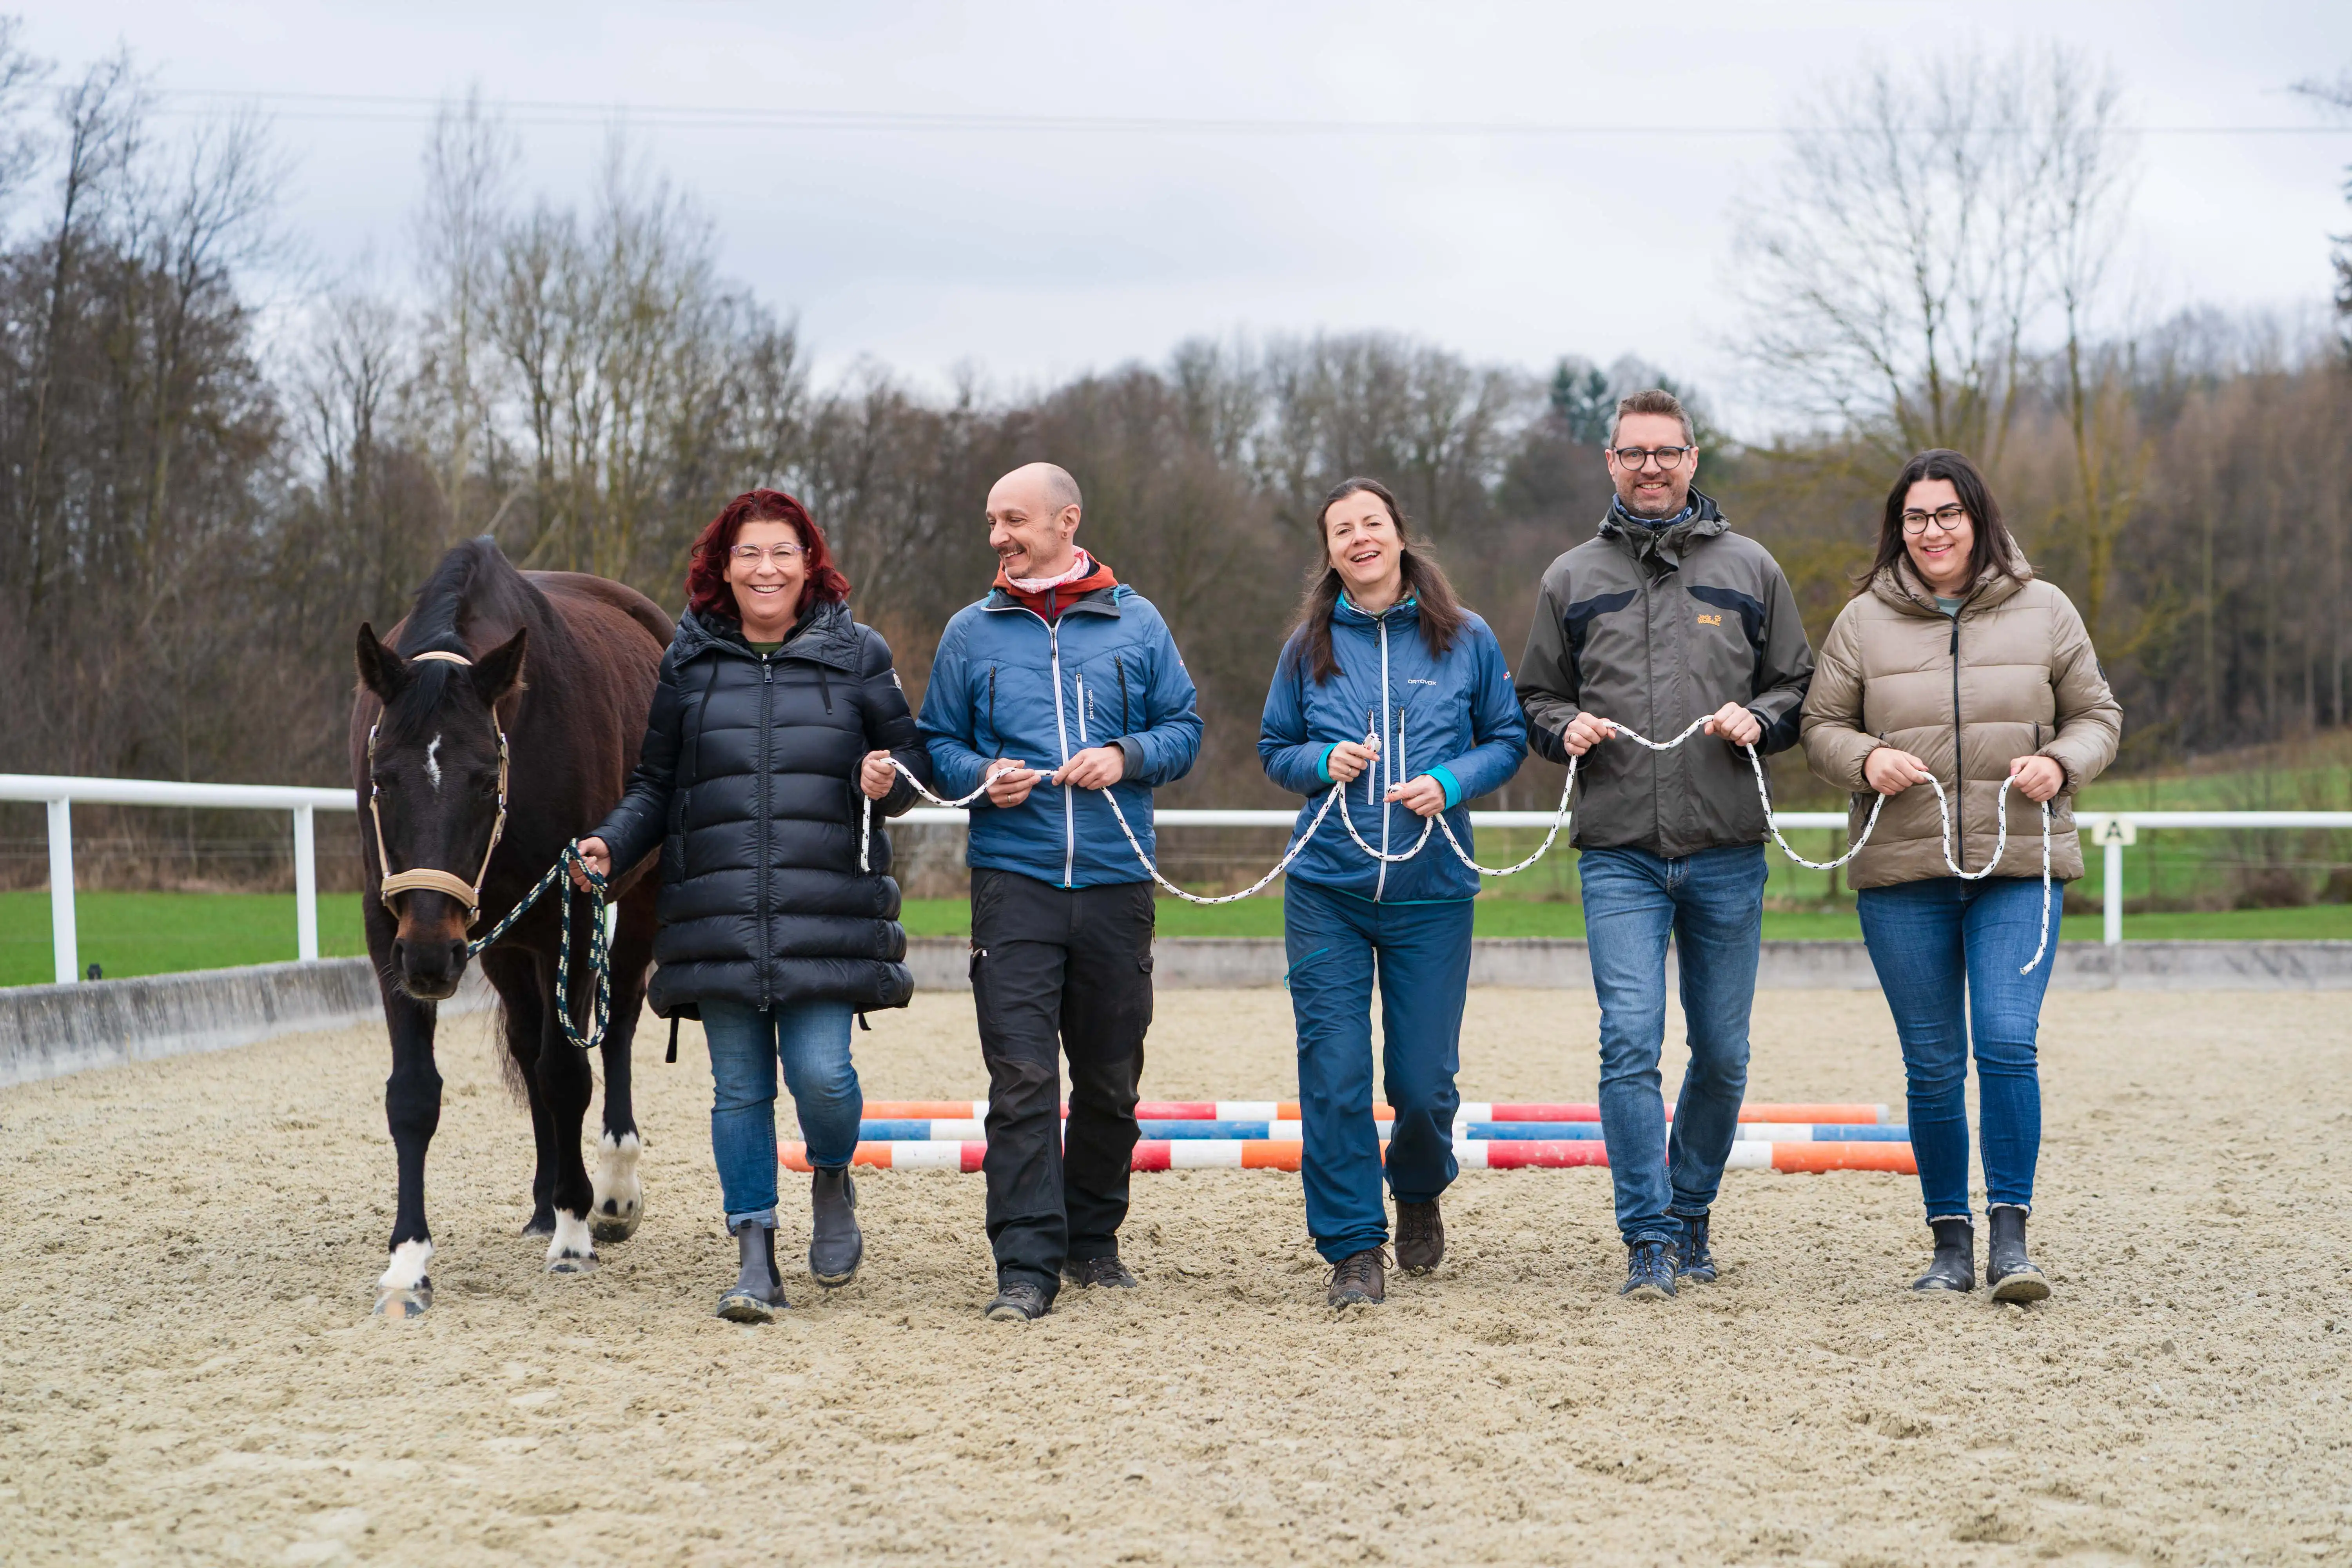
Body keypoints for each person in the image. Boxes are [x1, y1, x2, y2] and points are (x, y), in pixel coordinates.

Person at [574, 488, 932, 1322]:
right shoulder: (688, 664)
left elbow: (915, 763)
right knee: (739, 1090)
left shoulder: (860, 654)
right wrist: (611, 845)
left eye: (782, 551)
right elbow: (656, 787)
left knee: (822, 1074)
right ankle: (754, 1255)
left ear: (810, 563)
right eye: (749, 554)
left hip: (827, 908)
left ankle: (833, 1173)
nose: (765, 567)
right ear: (722, 568)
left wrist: (886, 776)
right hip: (715, 914)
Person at [1517, 388, 1815, 1300]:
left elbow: (1800, 687)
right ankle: (1646, 1233)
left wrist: (1758, 719)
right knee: (1629, 1043)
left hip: (1726, 846)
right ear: (1611, 462)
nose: (1651, 465)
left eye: (1667, 451)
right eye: (1634, 452)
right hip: (1619, 853)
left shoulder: (1753, 568)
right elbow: (1532, 699)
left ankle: (1691, 1209)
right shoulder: (1570, 577)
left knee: (1723, 1052)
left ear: (1693, 459)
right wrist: (1562, 726)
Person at [1801, 449, 2119, 1302]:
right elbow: (1820, 723)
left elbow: (2099, 713)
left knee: (2008, 1041)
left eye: (1947, 513)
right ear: (1897, 527)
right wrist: (1866, 759)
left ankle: (2012, 1238)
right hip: (1904, 869)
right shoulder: (1862, 620)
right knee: (1934, 1064)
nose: (1932, 530)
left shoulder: (2046, 607)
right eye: (1916, 517)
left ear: (1978, 519)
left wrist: (2062, 760)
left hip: (2020, 865)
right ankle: (1950, 1240)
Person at [917, 461, 1203, 1323]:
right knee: (1021, 1079)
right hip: (1015, 882)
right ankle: (1025, 1262)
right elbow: (938, 740)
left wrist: (1127, 756)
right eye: (993, 522)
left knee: (1111, 1079)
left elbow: (1184, 727)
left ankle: (1093, 1239)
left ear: (1066, 519)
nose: (1000, 536)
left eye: (1014, 519)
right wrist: (982, 774)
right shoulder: (970, 630)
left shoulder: (1140, 621)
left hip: (1118, 880)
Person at [1258, 477, 1527, 1308]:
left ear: (1400, 535)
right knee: (1335, 1073)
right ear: (1330, 550)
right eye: (1342, 529)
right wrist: (1318, 764)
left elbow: (1508, 737)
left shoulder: (1467, 637)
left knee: (1422, 1081)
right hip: (1327, 887)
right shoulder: (1307, 644)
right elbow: (1276, 746)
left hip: (1433, 889)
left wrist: (1449, 779)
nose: (1359, 538)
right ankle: (1351, 1247)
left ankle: (1418, 1185)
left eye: (1371, 523)